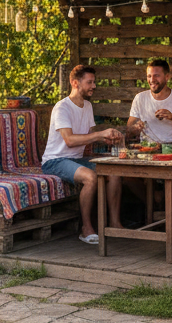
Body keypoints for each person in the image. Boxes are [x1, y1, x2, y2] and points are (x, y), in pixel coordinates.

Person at [106, 59, 172, 228]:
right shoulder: (140, 98)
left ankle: (158, 209)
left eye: (156, 75)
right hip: (145, 152)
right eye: (148, 76)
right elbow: (129, 129)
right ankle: (154, 199)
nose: (152, 79)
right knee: (122, 173)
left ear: (167, 77)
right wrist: (135, 128)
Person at [41, 65, 122, 245]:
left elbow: (88, 137)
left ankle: (115, 224)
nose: (94, 86)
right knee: (91, 177)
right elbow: (69, 140)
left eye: (94, 82)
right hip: (55, 160)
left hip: (76, 159)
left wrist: (106, 139)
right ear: (75, 83)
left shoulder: (88, 106)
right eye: (90, 82)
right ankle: (86, 229)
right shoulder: (62, 107)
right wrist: (100, 134)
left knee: (114, 171)